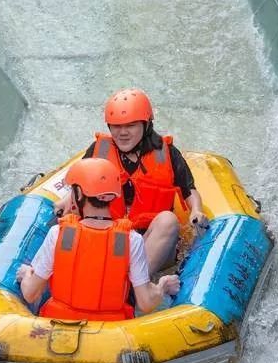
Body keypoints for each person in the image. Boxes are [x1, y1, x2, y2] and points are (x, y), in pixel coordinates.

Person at [56, 88, 209, 275]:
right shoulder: (99, 151)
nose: (122, 133)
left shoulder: (167, 153)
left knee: (168, 220)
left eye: (130, 126)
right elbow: (77, 189)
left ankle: (131, 286)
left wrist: (196, 210)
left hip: (152, 241)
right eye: (116, 126)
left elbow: (189, 191)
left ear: (146, 124)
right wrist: (63, 203)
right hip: (109, 239)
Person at [16, 157, 180, 321]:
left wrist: (26, 274)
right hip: (109, 331)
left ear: (79, 194)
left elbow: (30, 294)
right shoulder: (132, 240)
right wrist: (162, 287)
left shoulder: (57, 233)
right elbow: (146, 303)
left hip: (59, 326)